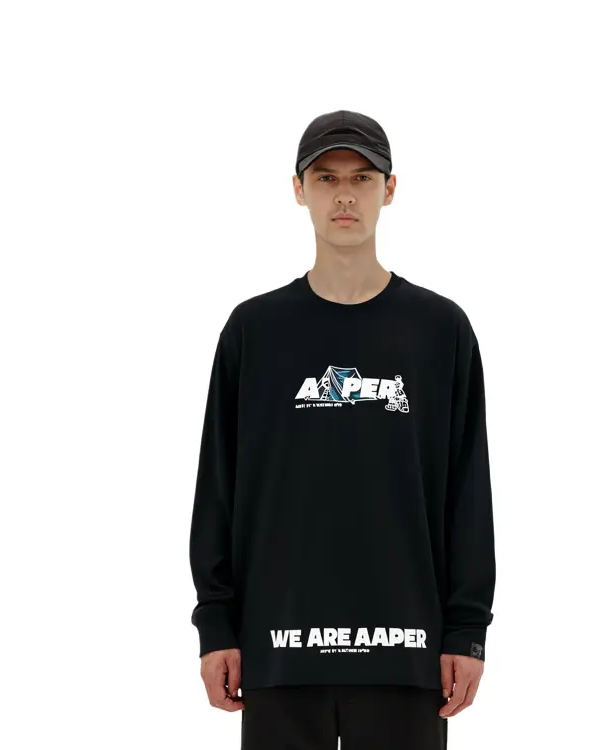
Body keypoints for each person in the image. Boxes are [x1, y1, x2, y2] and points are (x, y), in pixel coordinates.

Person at [189, 110, 496, 750]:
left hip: (407, 650)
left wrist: (467, 630)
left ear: (390, 188)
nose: (345, 195)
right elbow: (218, 485)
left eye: (362, 177)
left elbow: (468, 491)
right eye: (326, 178)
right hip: (278, 647)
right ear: (298, 190)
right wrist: (216, 623)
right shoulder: (255, 331)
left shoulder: (439, 330)